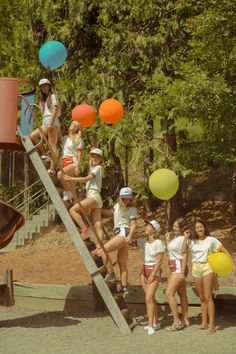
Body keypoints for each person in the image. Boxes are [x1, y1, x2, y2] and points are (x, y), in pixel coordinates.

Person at [182, 219, 236, 334]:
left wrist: (233, 264)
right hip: (196, 269)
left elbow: (225, 251)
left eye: (201, 227)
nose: (199, 229)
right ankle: (204, 322)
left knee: (208, 297)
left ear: (204, 227)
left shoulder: (211, 240)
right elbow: (183, 251)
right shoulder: (191, 241)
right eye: (197, 228)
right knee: (201, 298)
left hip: (208, 268)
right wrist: (186, 238)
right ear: (194, 230)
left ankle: (212, 324)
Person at [100, 187, 137, 295]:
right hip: (119, 233)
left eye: (128, 199)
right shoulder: (116, 206)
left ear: (131, 199)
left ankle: (111, 274)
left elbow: (134, 225)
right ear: (120, 198)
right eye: (124, 198)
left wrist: (130, 236)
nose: (126, 200)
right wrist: (98, 209)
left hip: (123, 233)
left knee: (103, 250)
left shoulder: (132, 210)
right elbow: (110, 213)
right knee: (122, 263)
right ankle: (124, 287)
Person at [64, 147, 104, 241]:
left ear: (101, 159)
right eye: (92, 156)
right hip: (96, 198)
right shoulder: (94, 168)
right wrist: (90, 151)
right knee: (97, 226)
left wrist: (71, 179)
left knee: (73, 210)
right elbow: (90, 163)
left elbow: (86, 179)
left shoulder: (98, 168)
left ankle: (84, 230)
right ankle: (100, 247)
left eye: (97, 157)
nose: (94, 158)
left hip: (94, 196)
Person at [137, 220, 165, 336]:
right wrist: (142, 272)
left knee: (148, 298)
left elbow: (159, 261)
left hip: (153, 270)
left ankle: (150, 324)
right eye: (147, 225)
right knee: (150, 298)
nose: (146, 227)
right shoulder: (146, 242)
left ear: (154, 230)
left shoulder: (158, 242)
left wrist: (153, 274)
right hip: (145, 270)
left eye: (149, 226)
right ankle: (156, 322)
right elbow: (146, 259)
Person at [30, 78, 61, 175]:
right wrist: (41, 107)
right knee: (33, 136)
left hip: (52, 121)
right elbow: (44, 113)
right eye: (42, 86)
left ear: (49, 86)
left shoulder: (52, 95)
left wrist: (51, 122)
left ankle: (52, 168)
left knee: (52, 145)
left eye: (46, 85)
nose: (44, 87)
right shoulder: (44, 99)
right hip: (45, 121)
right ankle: (44, 154)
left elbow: (56, 108)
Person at [165, 218, 189, 331]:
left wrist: (182, 273)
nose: (173, 228)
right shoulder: (175, 238)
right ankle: (185, 319)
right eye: (173, 226)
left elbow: (184, 255)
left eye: (176, 226)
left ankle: (177, 321)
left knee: (169, 293)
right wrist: (168, 240)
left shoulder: (184, 238)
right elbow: (171, 252)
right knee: (182, 294)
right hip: (174, 267)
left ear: (182, 227)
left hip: (178, 267)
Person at [57, 121, 84, 203]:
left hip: (73, 161)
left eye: (76, 126)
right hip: (65, 161)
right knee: (73, 188)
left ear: (77, 129)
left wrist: (78, 166)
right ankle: (77, 205)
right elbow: (57, 142)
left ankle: (67, 190)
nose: (73, 126)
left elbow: (80, 154)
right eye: (72, 124)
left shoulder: (78, 139)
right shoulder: (64, 138)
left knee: (60, 174)